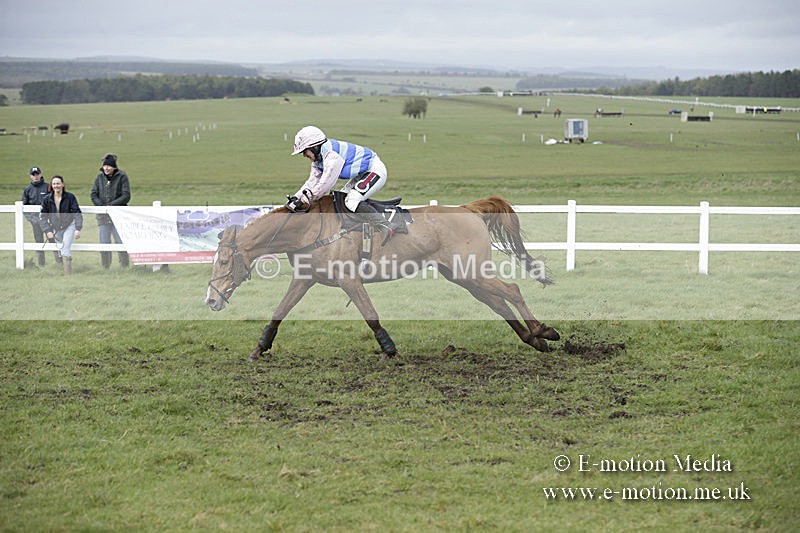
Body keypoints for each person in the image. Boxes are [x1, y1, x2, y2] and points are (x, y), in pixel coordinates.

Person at [286, 125, 391, 235]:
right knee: (340, 200)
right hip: (363, 173)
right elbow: (311, 182)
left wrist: (304, 200)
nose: (304, 155)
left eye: (304, 151)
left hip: (374, 170)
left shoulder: (332, 156)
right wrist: (296, 197)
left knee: (351, 200)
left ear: (315, 147)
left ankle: (386, 227)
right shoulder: (318, 160)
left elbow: (325, 184)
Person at [90, 153, 130, 268]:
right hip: (103, 217)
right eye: (105, 166)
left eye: (109, 166)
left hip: (119, 216)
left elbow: (126, 195)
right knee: (104, 242)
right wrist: (102, 206)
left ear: (114, 167)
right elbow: (93, 194)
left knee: (120, 242)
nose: (106, 168)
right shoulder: (99, 178)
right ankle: (105, 267)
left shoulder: (122, 177)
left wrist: (111, 205)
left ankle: (124, 266)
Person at [39, 175, 83, 275]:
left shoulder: (70, 197)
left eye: (58, 183)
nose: (56, 186)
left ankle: (67, 274)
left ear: (62, 184)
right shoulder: (47, 199)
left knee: (65, 247)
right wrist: (47, 230)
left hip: (69, 225)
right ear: (51, 185)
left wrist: (78, 228)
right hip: (57, 228)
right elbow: (43, 217)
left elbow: (77, 212)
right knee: (59, 250)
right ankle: (61, 270)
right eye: (54, 184)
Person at [21, 166, 59, 266]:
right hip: (35, 222)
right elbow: (24, 207)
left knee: (53, 241)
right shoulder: (27, 190)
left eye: (37, 174)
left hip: (48, 221)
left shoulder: (48, 187)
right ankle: (41, 265)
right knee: (39, 243)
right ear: (30, 176)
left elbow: (54, 203)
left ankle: (59, 263)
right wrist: (32, 220)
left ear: (40, 174)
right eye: (33, 175)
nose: (36, 176)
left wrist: (53, 219)